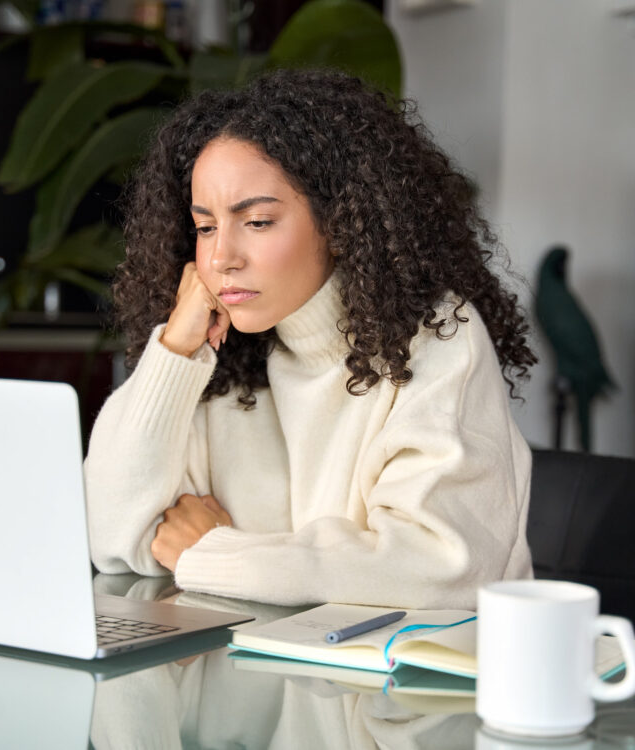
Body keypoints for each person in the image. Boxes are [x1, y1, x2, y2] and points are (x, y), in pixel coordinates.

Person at [84, 68, 537, 608]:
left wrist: (210, 554)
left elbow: (438, 567)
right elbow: (113, 536)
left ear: (340, 223)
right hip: (265, 674)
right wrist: (175, 354)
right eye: (205, 227)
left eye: (256, 222)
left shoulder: (436, 340)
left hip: (416, 683)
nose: (222, 257)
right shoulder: (222, 358)